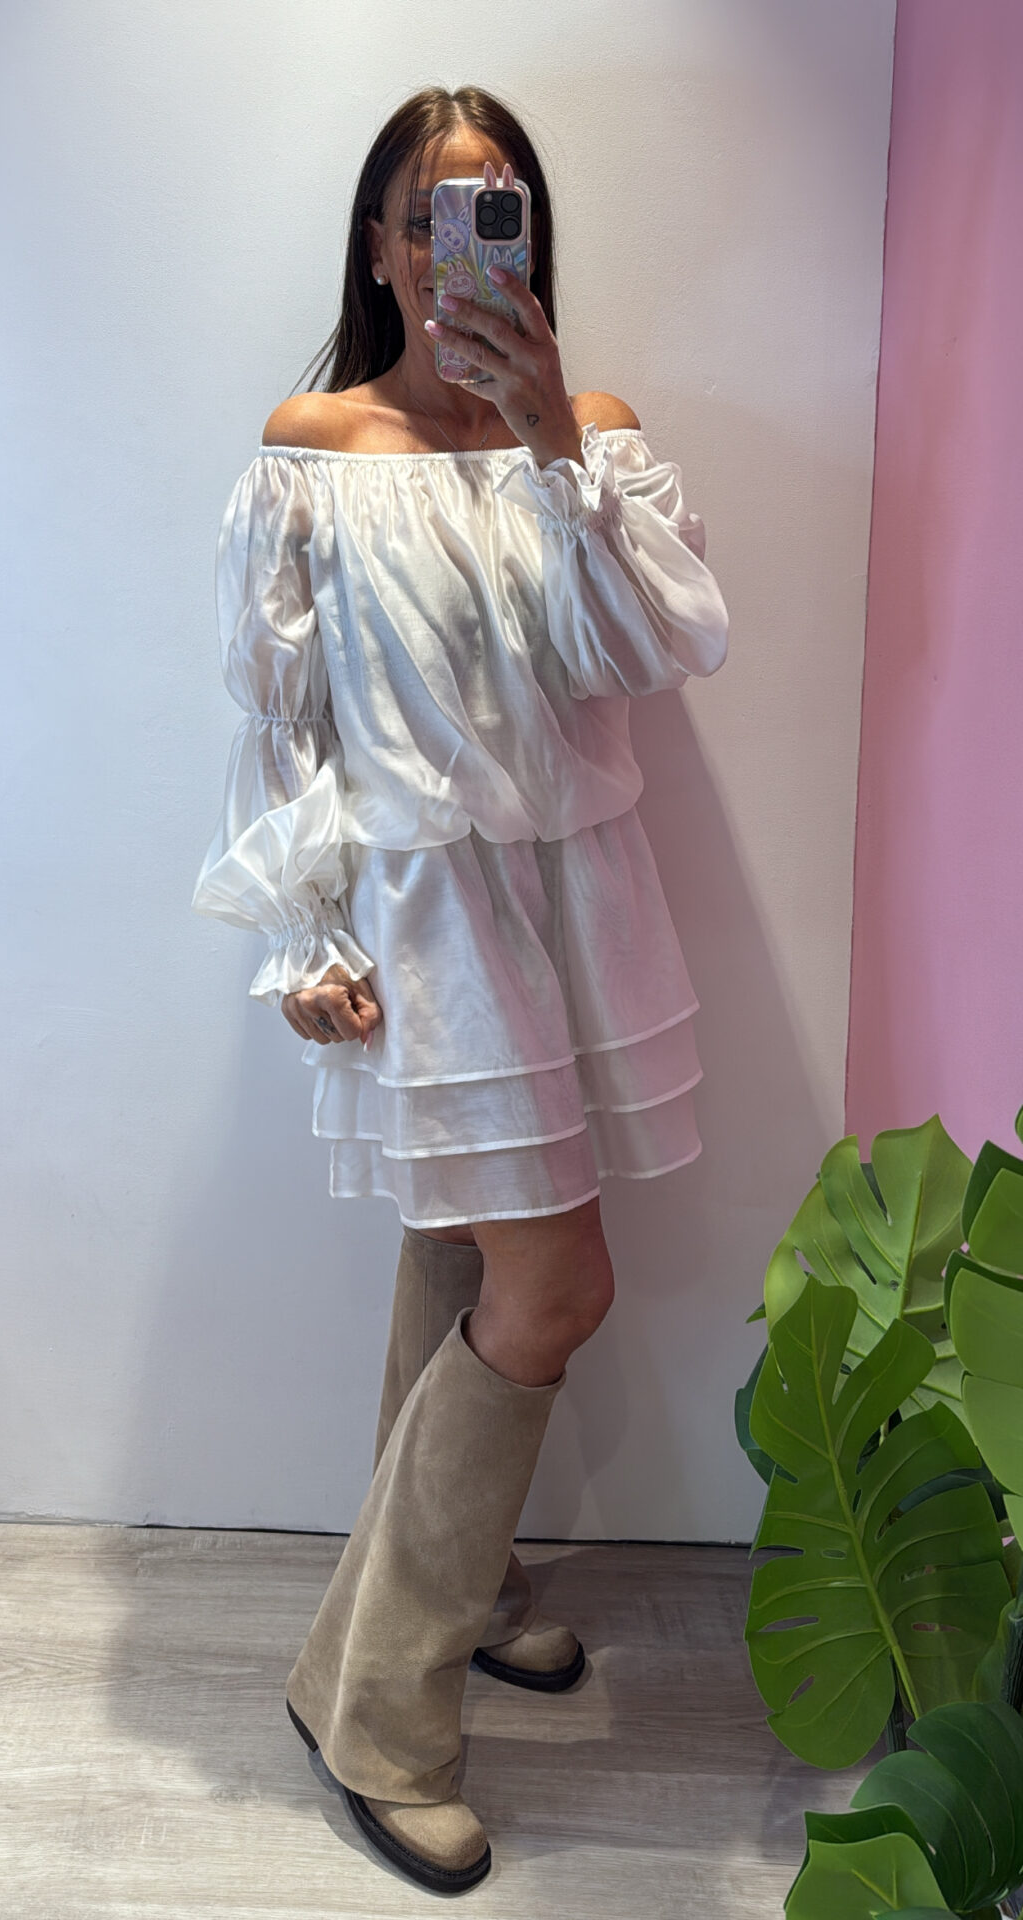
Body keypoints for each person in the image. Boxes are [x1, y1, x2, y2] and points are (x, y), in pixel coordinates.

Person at [192, 84, 728, 1896]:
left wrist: (552, 438)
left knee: (465, 1251)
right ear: (377, 244)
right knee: (552, 1282)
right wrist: (306, 935)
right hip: (429, 921)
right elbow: (282, 727)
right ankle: (376, 1710)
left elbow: (648, 648)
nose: (453, 247)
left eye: (494, 213)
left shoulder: (597, 435)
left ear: (531, 243)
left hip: (578, 898)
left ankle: (470, 1587)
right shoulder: (314, 449)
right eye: (427, 215)